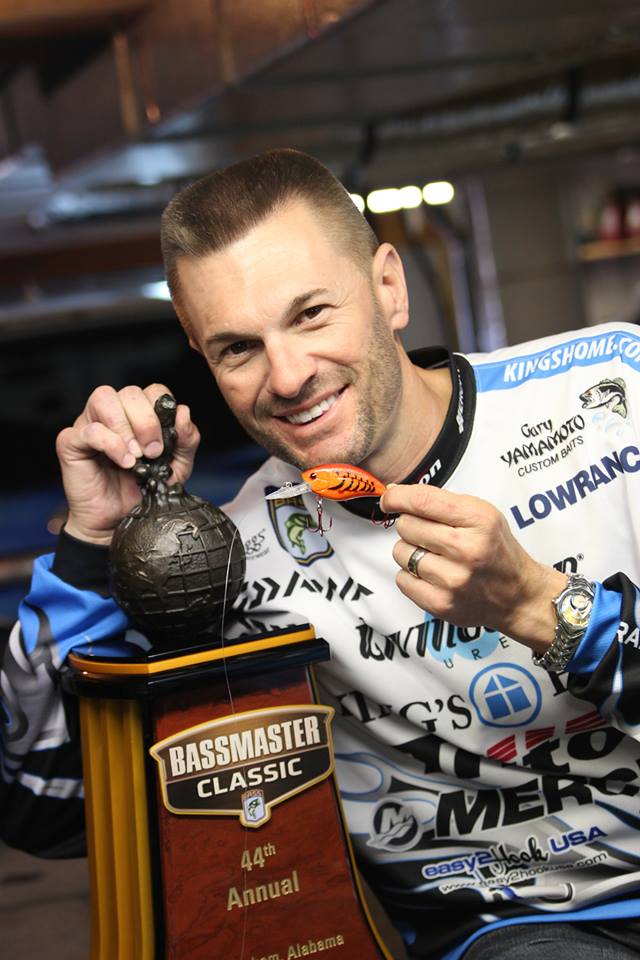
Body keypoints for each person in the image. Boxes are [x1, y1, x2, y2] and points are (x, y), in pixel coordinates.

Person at [3, 149, 640, 960]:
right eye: (239, 348)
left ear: (389, 288)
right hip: (517, 929)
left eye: (310, 314)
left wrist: (541, 609)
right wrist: (95, 547)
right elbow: (49, 808)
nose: (288, 375)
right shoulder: (232, 555)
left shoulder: (614, 396)